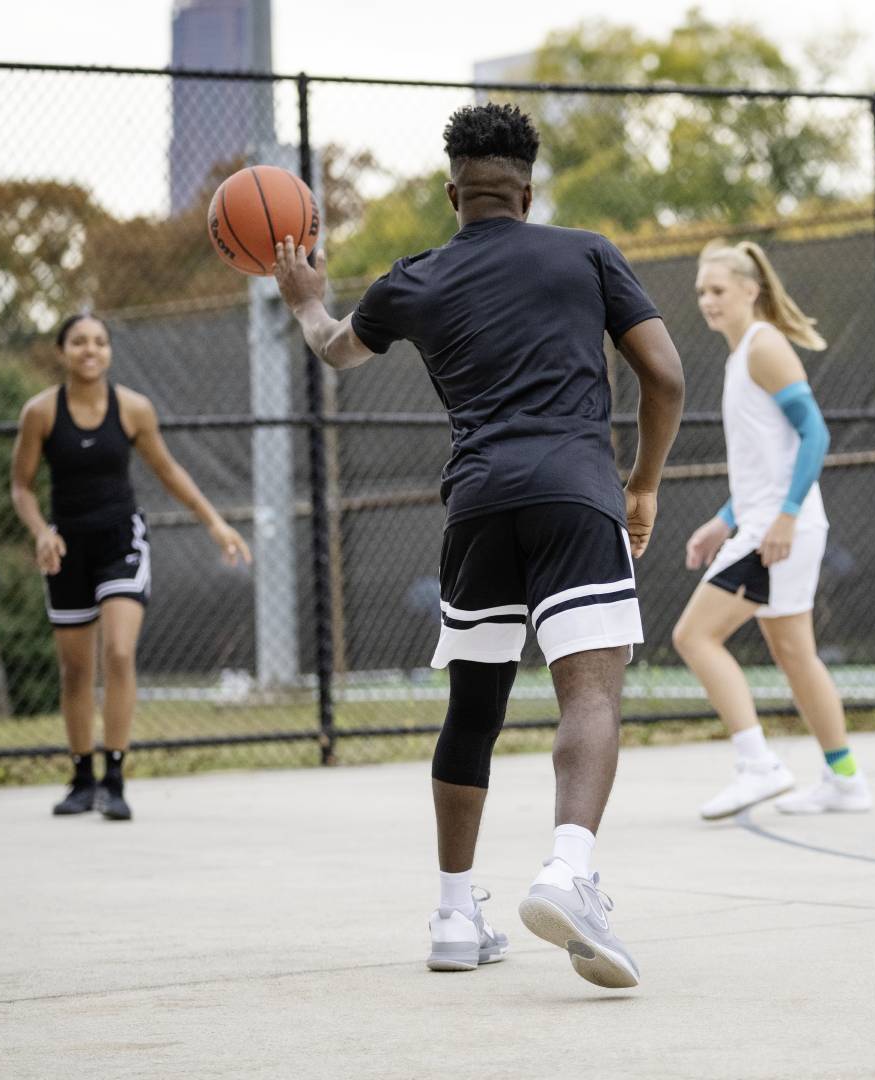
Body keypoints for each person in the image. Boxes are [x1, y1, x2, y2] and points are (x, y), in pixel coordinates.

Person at [272, 103, 684, 987]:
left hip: (478, 504)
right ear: (527, 193)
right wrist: (642, 482)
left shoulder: (411, 279)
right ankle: (568, 871)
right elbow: (668, 375)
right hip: (576, 493)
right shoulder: (586, 251)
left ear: (452, 191)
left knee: (474, 709)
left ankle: (455, 917)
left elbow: (335, 350)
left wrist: (308, 301)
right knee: (591, 693)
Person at [10, 313, 251, 822]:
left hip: (122, 542)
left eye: (99, 341)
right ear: (63, 352)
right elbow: (21, 487)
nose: (90, 350)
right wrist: (41, 533)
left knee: (118, 653)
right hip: (66, 549)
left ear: (109, 351)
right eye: (79, 342)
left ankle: (114, 778)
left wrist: (215, 523)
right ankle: (81, 778)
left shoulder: (134, 409)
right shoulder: (41, 413)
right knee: (76, 669)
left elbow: (168, 470)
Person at [675, 241, 872, 820]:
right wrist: (724, 519)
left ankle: (757, 764)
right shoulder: (742, 357)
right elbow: (769, 460)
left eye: (718, 290)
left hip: (779, 530)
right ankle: (845, 779)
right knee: (794, 654)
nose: (708, 302)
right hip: (766, 522)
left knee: (695, 636)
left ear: (749, 290)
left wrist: (783, 516)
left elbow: (815, 435)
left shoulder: (764, 347)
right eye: (702, 293)